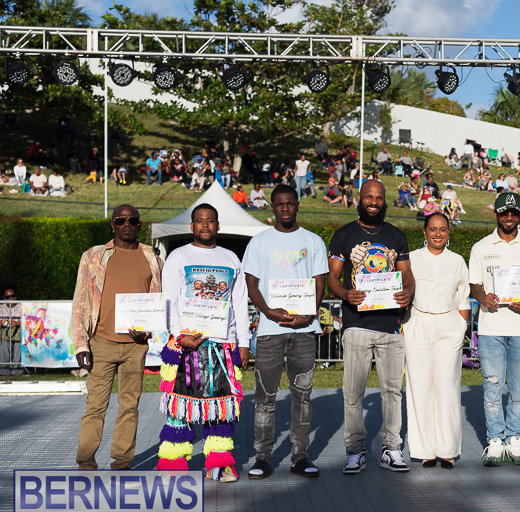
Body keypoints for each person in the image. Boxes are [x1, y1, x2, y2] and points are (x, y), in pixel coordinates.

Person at [156, 203, 251, 482]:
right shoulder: (178, 256)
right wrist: (178, 334)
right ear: (192, 226)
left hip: (222, 345)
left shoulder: (232, 258)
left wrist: (243, 341)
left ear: (218, 225)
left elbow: (239, 304)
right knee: (179, 409)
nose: (205, 225)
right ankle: (174, 465)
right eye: (200, 221)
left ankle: (219, 465)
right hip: (186, 344)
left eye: (210, 221)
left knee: (220, 411)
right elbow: (169, 299)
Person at [327, 180, 415, 474]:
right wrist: (344, 294)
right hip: (357, 325)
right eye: (369, 197)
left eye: (379, 197)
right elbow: (332, 279)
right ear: (359, 200)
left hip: (391, 326)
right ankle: (355, 451)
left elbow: (408, 276)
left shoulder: (396, 235)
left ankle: (392, 448)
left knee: (393, 392)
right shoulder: (344, 235)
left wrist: (408, 293)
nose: (374, 201)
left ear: (385, 200)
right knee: (353, 393)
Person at [244, 185, 328, 479]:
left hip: (305, 329)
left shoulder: (313, 241)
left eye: (290, 204)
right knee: (265, 396)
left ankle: (300, 456)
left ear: (297, 205)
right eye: (279, 204)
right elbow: (251, 283)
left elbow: (320, 283)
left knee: (301, 395)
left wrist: (309, 314)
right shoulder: (260, 242)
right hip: (269, 330)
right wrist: (268, 311)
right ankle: (263, 456)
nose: (285, 209)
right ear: (272, 206)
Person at [71, 205, 163, 470]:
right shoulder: (93, 256)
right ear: (112, 225)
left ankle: (122, 461)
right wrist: (81, 343)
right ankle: (85, 461)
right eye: (120, 220)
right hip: (100, 342)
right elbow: (80, 301)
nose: (126, 224)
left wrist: (148, 328)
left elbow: (158, 300)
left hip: (136, 346)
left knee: (129, 407)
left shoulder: (152, 259)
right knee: (95, 407)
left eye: (132, 220)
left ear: (139, 224)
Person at [468, 192, 520, 466]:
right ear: (496, 213)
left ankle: (514, 439)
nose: (509, 217)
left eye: (513, 213)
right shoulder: (481, 247)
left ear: (519, 215)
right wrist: (482, 297)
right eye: (504, 212)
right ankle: (495, 441)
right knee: (492, 385)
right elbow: (474, 283)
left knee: (518, 388)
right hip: (491, 326)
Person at [405, 212, 470, 469]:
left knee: (447, 386)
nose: (438, 234)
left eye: (443, 229)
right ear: (424, 232)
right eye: (433, 229)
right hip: (417, 323)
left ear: (448, 232)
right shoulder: (410, 258)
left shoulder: (456, 261)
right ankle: (425, 450)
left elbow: (463, 296)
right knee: (419, 386)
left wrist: (461, 326)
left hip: (448, 325)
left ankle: (447, 450)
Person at [0, 283, 23, 376]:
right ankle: (4, 371)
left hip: (18, 332)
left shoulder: (21, 306)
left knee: (18, 348)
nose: (11, 299)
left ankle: (16, 371)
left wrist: (18, 323)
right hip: (5, 332)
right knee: (4, 347)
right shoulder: (1, 307)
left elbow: (28, 319)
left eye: (13, 296)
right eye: (8, 297)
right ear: (4, 298)